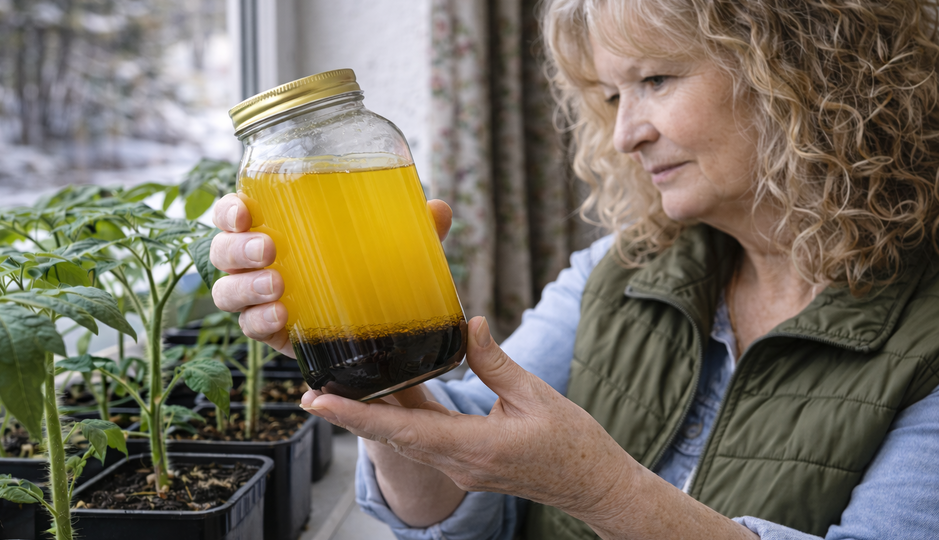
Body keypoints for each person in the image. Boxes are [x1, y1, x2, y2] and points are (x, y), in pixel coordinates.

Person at [207, 0, 939, 538]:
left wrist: (597, 488)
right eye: (612, 94)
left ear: (804, 71)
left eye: (656, 79)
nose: (625, 133)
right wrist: (369, 380)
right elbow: (461, 501)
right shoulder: (616, 273)